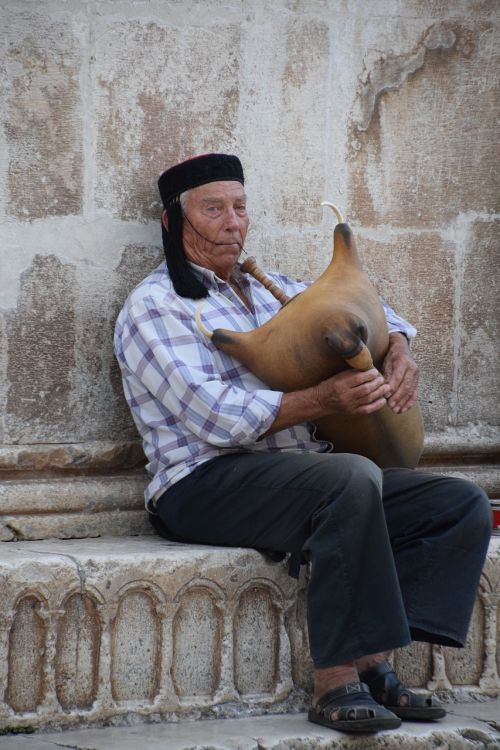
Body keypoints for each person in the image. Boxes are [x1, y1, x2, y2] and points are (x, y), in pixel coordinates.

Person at [114, 153, 492, 734]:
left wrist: (399, 350)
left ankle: (376, 657)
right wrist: (323, 402)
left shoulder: (274, 290)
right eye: (212, 210)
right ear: (172, 222)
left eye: (239, 208)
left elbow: (372, 312)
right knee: (349, 476)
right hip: (202, 485)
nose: (232, 223)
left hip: (304, 483)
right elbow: (214, 417)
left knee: (457, 504)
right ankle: (338, 677)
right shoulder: (155, 306)